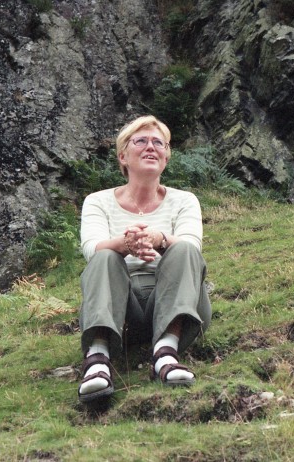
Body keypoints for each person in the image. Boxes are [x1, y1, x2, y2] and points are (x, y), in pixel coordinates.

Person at [77, 115, 211, 403]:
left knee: (184, 249)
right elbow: (91, 248)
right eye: (141, 141)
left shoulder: (185, 200)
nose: (151, 147)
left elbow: (193, 247)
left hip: (176, 297)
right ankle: (97, 361)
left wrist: (159, 239)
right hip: (121, 305)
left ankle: (166, 354)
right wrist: (126, 244)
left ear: (166, 158)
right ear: (123, 156)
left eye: (159, 143)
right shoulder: (97, 201)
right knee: (104, 256)